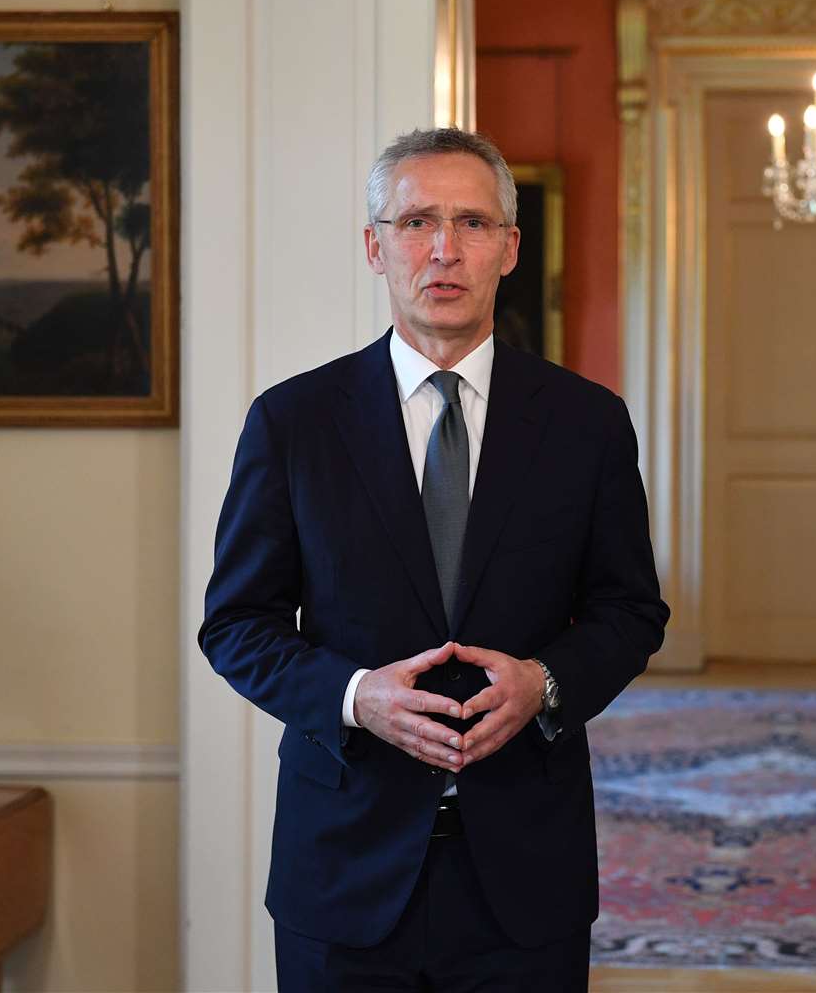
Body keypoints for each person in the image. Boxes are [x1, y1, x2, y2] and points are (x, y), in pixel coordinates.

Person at [199, 127, 668, 991]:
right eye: (416, 222)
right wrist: (353, 696)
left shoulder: (587, 424)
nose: (444, 249)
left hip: (527, 872)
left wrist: (545, 683)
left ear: (510, 248)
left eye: (472, 223)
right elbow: (236, 625)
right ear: (375, 247)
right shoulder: (293, 423)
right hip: (343, 868)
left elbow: (631, 611)